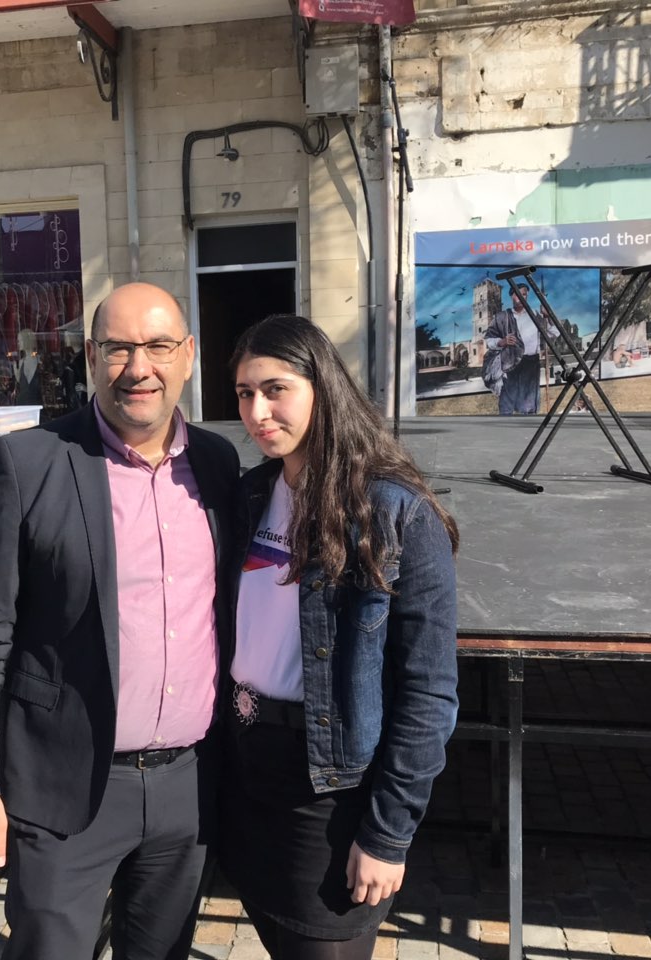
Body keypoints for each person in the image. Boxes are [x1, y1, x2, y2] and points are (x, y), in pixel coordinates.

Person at [0, 282, 239, 958]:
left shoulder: (218, 464)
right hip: (63, 785)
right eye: (118, 348)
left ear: (188, 355)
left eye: (158, 346)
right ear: (90, 357)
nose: (139, 368)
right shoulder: (29, 462)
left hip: (188, 787)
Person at [220, 314, 459, 959]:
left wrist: (388, 833)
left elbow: (429, 693)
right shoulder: (251, 496)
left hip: (328, 792)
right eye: (244, 393)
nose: (257, 412)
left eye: (276, 389)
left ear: (322, 387)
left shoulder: (395, 511)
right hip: (245, 770)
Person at [484, 284, 551, 415]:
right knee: (507, 403)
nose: (520, 297)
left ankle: (528, 425)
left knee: (529, 404)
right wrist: (502, 342)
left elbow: (552, 334)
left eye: (524, 294)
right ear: (511, 296)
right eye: (517, 294)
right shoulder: (502, 317)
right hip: (509, 362)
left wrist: (548, 316)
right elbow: (489, 339)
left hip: (531, 363)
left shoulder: (535, 315)